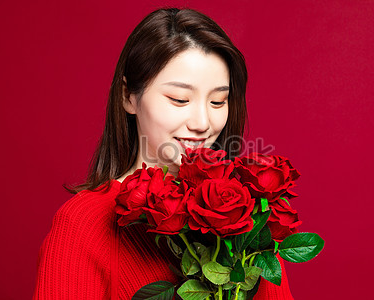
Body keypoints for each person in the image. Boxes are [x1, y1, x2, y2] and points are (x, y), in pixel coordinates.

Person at [33, 7, 294, 300]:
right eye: (179, 99)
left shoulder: (245, 216)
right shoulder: (83, 223)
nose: (203, 124)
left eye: (219, 101)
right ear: (128, 97)